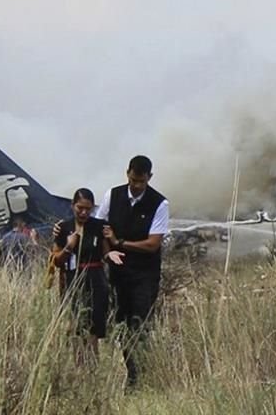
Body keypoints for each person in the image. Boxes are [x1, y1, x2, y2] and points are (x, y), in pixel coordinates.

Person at [94, 155, 170, 386]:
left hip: (144, 276)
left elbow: (152, 244)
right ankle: (129, 373)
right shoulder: (113, 195)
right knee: (120, 324)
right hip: (118, 274)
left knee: (139, 324)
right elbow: (100, 227)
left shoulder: (159, 203)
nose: (136, 186)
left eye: (141, 182)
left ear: (150, 178)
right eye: (133, 179)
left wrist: (120, 243)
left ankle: (140, 377)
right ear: (127, 173)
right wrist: (108, 253)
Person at [52, 188, 125, 361]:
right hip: (72, 279)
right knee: (75, 325)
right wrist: (69, 247)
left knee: (93, 326)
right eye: (80, 208)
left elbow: (105, 252)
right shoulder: (63, 228)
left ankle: (93, 367)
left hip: (95, 279)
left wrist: (110, 255)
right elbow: (56, 260)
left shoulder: (99, 226)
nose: (84, 212)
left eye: (88, 209)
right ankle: (78, 365)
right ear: (72, 206)